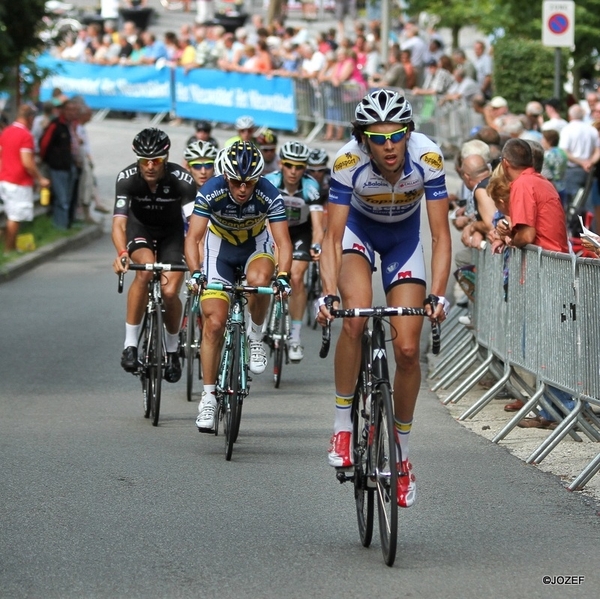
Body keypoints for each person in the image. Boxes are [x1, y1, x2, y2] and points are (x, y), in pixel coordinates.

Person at [317, 89, 452, 508]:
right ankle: (342, 425)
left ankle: (402, 456)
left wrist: (439, 296)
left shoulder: (427, 158)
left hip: (402, 241)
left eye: (396, 135)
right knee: (354, 318)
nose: (389, 145)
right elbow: (332, 238)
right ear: (364, 139)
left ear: (408, 133)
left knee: (409, 349)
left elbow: (441, 235)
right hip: (358, 232)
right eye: (378, 137)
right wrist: (326, 294)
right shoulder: (347, 162)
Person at [184, 142, 293, 432]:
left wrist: (283, 275)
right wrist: (195, 273)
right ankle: (208, 398)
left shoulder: (268, 192)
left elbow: (282, 242)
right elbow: (194, 237)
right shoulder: (212, 190)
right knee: (214, 323)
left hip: (255, 246)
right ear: (225, 177)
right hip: (219, 248)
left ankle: (256, 338)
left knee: (259, 282)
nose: (243, 189)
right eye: (236, 182)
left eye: (249, 182)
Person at [112, 128, 197, 383]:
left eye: (157, 160)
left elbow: (193, 225)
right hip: (141, 229)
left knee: (170, 292)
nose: (150, 166)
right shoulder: (126, 179)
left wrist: (198, 262)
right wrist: (123, 253)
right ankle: (130, 345)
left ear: (166, 157)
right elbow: (118, 224)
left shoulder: (182, 180)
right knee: (146, 270)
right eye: (144, 160)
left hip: (172, 233)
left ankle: (172, 351)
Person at [265, 141, 324, 361]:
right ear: (281, 164)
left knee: (297, 277)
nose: (293, 171)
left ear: (305, 168)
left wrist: (317, 245)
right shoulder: (270, 183)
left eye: (299, 167)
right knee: (265, 275)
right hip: (273, 230)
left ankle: (295, 337)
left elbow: (318, 227)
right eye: (289, 165)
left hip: (300, 233)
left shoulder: (310, 187)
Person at [0, 105, 50, 254]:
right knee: (15, 216)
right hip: (18, 180)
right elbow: (27, 162)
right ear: (30, 118)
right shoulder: (25, 135)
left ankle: (10, 246)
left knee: (9, 213)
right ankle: (9, 249)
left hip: (5, 177)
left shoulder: (6, 132)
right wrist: (40, 179)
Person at [39, 98, 80, 230]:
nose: (72, 113)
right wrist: (47, 159)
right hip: (58, 166)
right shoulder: (56, 125)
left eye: (74, 110)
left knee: (68, 198)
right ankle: (60, 226)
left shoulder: (71, 125)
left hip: (70, 165)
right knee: (61, 199)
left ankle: (66, 224)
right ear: (63, 110)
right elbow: (44, 144)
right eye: (69, 110)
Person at [559, 104, 600, 207]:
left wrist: (581, 162)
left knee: (573, 203)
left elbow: (563, 151)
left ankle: (576, 223)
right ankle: (588, 223)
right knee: (588, 202)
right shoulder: (591, 130)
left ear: (570, 115)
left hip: (572, 170)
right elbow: (598, 151)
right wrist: (589, 162)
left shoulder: (567, 129)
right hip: (588, 170)